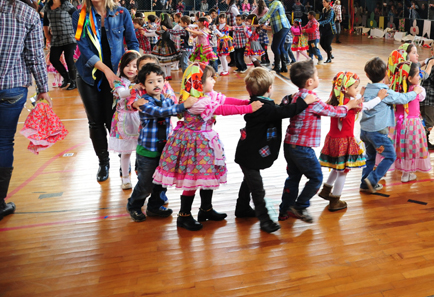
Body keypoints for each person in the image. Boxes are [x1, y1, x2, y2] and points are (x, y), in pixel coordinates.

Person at [153, 64, 260, 230]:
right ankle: (184, 215)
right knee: (192, 180)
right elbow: (222, 109)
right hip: (194, 145)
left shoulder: (207, 95)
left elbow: (225, 100)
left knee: (207, 176)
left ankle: (206, 209)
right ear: (199, 83)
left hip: (205, 143)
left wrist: (247, 102)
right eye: (210, 77)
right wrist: (248, 108)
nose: (214, 80)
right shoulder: (196, 102)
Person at [72, 0, 139, 182]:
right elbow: (83, 48)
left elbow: (133, 42)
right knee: (95, 121)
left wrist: (133, 66)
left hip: (117, 77)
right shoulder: (80, 15)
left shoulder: (121, 12)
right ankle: (103, 162)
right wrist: (107, 71)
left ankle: (123, 159)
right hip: (89, 75)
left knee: (116, 118)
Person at [235, 68, 315, 233]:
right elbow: (283, 112)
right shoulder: (263, 107)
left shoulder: (259, 103)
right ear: (270, 88)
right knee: (257, 189)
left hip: (248, 153)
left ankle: (242, 208)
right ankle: (265, 220)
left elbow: (277, 109)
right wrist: (304, 102)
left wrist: (289, 99)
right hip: (249, 154)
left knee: (249, 182)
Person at [278, 60, 359, 223]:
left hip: (289, 145)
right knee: (316, 178)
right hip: (302, 148)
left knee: (293, 178)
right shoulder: (312, 99)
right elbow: (333, 111)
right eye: (317, 76)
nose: (319, 79)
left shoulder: (296, 96)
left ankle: (284, 210)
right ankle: (300, 206)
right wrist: (349, 105)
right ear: (310, 82)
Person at [0, 0, 51, 221]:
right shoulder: (28, 13)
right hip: (12, 86)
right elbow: (35, 57)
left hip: (12, 87)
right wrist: (43, 89)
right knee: (3, 141)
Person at [126, 64, 196, 222]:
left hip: (165, 150)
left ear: (165, 82)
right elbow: (160, 113)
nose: (156, 84)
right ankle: (134, 205)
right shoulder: (143, 102)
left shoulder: (167, 100)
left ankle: (154, 207)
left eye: (159, 80)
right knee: (146, 184)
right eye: (151, 82)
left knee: (162, 181)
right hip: (147, 152)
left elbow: (176, 112)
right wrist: (183, 106)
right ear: (143, 85)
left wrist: (188, 105)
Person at [360, 57, 420, 192]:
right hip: (378, 132)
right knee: (390, 156)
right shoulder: (384, 92)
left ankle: (365, 184)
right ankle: (372, 180)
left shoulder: (366, 89)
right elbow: (402, 98)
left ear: (367, 75)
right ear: (386, 73)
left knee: (370, 158)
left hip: (364, 131)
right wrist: (415, 92)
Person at [318, 72, 376, 209]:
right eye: (355, 87)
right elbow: (367, 106)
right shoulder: (350, 104)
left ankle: (326, 190)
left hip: (333, 139)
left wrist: (359, 94)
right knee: (343, 171)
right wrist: (379, 97)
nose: (357, 90)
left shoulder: (336, 101)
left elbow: (355, 102)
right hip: (344, 141)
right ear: (345, 88)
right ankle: (335, 200)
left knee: (337, 167)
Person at [389, 61, 431, 182]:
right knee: (410, 147)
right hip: (412, 124)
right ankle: (407, 173)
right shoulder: (419, 90)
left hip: (398, 123)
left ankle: (404, 172)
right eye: (418, 75)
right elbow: (422, 97)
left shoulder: (396, 89)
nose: (420, 77)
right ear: (409, 78)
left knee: (401, 147)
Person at [107, 51, 141, 190]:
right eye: (127, 65)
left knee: (141, 150)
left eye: (135, 66)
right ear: (122, 66)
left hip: (139, 119)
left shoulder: (141, 81)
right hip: (123, 119)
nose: (131, 69)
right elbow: (122, 94)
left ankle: (142, 177)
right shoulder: (118, 82)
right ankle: (125, 178)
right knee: (126, 152)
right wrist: (135, 88)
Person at [43, 0, 78, 90]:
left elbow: (78, 17)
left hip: (69, 37)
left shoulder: (66, 5)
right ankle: (66, 78)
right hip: (56, 38)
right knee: (53, 59)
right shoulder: (48, 7)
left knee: (69, 59)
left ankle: (74, 82)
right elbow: (45, 23)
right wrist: (47, 35)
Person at [258, 0, 291, 74]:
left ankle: (277, 67)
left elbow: (268, 14)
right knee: (280, 47)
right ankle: (284, 67)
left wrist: (259, 22)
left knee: (275, 47)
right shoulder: (276, 3)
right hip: (283, 27)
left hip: (281, 27)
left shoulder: (275, 3)